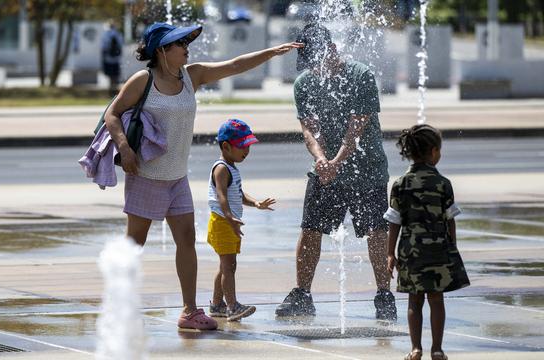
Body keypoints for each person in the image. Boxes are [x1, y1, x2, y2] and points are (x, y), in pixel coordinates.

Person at [103, 22, 301, 330]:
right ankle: (117, 302)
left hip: (177, 178)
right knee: (134, 244)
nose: (186, 48)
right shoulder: (143, 80)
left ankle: (190, 311)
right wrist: (125, 149)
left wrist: (270, 53)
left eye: (185, 43)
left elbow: (234, 65)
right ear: (162, 51)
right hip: (147, 175)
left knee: (186, 240)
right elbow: (112, 114)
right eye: (179, 44)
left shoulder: (190, 75)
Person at [275, 23, 397, 321]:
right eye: (309, 65)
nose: (315, 70)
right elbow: (309, 128)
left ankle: (384, 295)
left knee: (375, 232)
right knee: (310, 229)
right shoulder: (304, 83)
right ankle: (302, 293)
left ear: (331, 49)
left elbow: (358, 125)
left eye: (317, 62)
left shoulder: (361, 75)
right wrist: (321, 160)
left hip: (367, 170)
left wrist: (337, 161)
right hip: (325, 170)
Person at [385, 124, 470, 360]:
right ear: (433, 152)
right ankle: (437, 348)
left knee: (415, 300)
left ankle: (415, 348)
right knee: (436, 299)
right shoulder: (443, 183)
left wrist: (390, 253)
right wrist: (452, 247)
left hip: (410, 250)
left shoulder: (400, 184)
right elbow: (450, 220)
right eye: (439, 151)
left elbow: (394, 221)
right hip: (439, 250)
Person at [206, 119, 276, 322]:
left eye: (248, 146)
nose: (246, 151)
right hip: (222, 222)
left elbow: (238, 194)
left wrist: (257, 203)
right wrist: (230, 218)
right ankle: (232, 306)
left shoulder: (231, 167)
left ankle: (217, 305)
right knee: (229, 266)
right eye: (242, 147)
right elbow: (222, 197)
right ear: (226, 146)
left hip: (227, 221)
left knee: (225, 265)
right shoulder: (221, 169)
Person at [101, 23, 124, 96]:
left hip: (108, 59)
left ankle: (111, 91)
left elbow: (103, 48)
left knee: (110, 76)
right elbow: (121, 46)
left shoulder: (105, 34)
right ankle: (115, 92)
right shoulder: (118, 34)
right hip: (116, 59)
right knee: (116, 76)